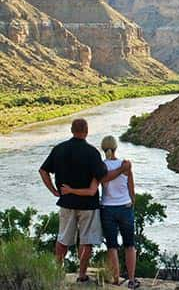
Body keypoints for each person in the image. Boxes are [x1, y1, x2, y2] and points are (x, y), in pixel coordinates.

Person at [39, 119, 130, 282]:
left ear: (71, 130)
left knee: (63, 239)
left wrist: (54, 191)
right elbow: (103, 177)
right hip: (89, 205)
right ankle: (81, 274)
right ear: (86, 131)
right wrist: (122, 169)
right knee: (87, 240)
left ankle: (57, 273)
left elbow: (43, 170)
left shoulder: (59, 149)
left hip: (66, 202)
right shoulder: (92, 152)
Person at [61, 135, 139, 289]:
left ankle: (116, 279)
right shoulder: (125, 165)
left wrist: (70, 190)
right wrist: (131, 203)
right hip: (125, 207)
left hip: (107, 209)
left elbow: (93, 189)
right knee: (130, 245)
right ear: (116, 148)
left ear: (103, 149)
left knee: (112, 246)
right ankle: (131, 279)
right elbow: (132, 189)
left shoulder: (100, 167)